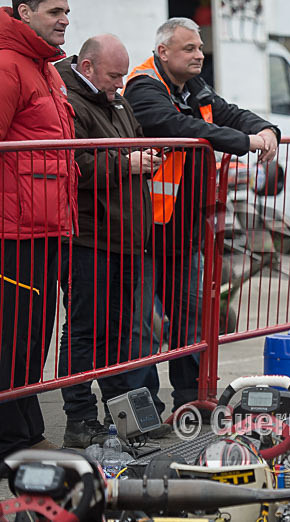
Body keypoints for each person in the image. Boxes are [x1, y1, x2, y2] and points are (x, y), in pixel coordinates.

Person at [123, 17, 280, 416]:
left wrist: (266, 130)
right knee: (141, 328)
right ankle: (144, 413)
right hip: (146, 231)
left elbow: (229, 112)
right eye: (189, 48)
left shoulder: (192, 86)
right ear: (163, 52)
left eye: (199, 47)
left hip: (186, 230)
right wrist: (245, 142)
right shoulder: (143, 85)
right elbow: (174, 124)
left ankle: (191, 400)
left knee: (191, 322)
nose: (199, 55)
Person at [54, 35, 172, 447]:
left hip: (125, 235)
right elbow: (73, 164)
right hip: (89, 235)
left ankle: (120, 415)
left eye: (123, 75)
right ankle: (80, 418)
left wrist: (147, 159)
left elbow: (134, 142)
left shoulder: (116, 101)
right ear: (87, 68)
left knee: (118, 332)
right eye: (113, 75)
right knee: (85, 330)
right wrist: (127, 163)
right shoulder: (68, 100)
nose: (120, 84)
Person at [0, 0, 76, 459]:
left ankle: (27, 433)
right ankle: (14, 442)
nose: (64, 18)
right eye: (54, 11)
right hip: (14, 231)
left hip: (44, 226)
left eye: (67, 10)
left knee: (33, 339)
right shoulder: (10, 65)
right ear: (25, 12)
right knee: (14, 339)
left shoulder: (44, 66)